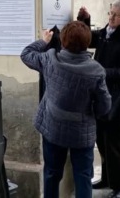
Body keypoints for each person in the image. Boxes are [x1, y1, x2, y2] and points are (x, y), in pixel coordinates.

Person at [20, 21, 112, 198]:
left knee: (52, 174)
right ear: (87, 43)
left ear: (62, 41)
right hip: (82, 133)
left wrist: (43, 41)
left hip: (53, 128)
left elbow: (26, 54)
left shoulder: (50, 59)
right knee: (83, 176)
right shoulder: (96, 70)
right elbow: (104, 106)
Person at [77, 0, 120, 198]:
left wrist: (103, 72)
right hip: (102, 97)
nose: (111, 17)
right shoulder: (108, 34)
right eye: (110, 13)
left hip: (118, 99)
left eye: (115, 15)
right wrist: (85, 20)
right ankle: (107, 178)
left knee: (116, 146)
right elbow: (89, 39)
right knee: (102, 141)